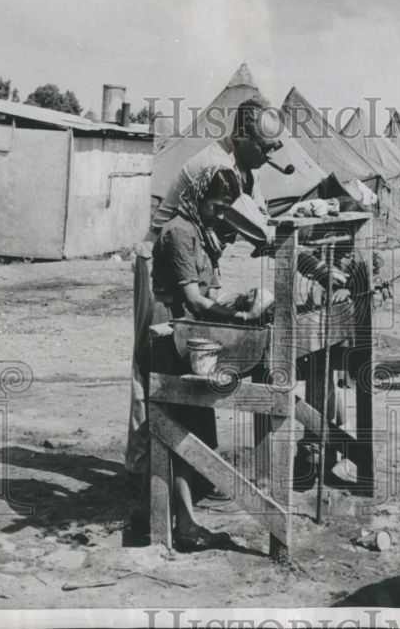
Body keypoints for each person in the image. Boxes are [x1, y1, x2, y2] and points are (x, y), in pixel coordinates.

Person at [134, 165, 273, 551]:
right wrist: (238, 317)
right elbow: (194, 300)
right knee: (178, 429)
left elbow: (209, 297)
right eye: (217, 205)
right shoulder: (179, 231)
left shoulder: (200, 233)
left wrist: (239, 302)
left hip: (190, 332)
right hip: (170, 333)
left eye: (227, 208)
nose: (220, 214)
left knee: (191, 428)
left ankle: (151, 515)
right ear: (198, 197)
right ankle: (181, 524)